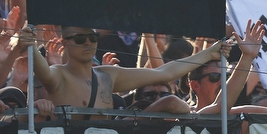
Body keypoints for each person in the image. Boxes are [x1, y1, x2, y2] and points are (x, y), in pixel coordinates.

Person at [16, 24, 232, 115]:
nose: (88, 43)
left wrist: (209, 53)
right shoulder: (59, 75)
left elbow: (164, 74)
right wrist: (31, 44)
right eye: (80, 38)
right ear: (65, 42)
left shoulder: (108, 75)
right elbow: (43, 72)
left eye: (93, 37)